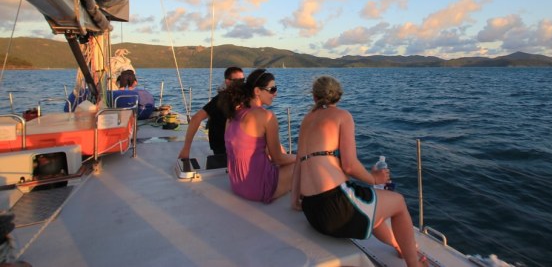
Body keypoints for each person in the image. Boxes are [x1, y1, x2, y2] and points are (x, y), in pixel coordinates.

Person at [291, 76, 426, 267]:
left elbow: (299, 163)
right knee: (398, 203)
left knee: (372, 202)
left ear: (314, 97)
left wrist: (294, 198)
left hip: (312, 211)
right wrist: (374, 177)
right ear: (339, 96)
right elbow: (349, 165)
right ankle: (414, 264)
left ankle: (399, 245)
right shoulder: (342, 116)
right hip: (336, 210)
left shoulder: (306, 120)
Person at [218, 68, 296, 203]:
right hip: (260, 189)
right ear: (257, 91)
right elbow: (278, 159)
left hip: (237, 185)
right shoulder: (266, 117)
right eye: (272, 89)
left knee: (281, 150)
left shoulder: (232, 114)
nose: (275, 94)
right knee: (307, 163)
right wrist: (300, 157)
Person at [178, 67, 244, 167]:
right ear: (227, 82)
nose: (241, 84)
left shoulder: (242, 99)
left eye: (242, 80)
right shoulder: (220, 100)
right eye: (237, 81)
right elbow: (196, 118)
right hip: (222, 147)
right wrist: (186, 148)